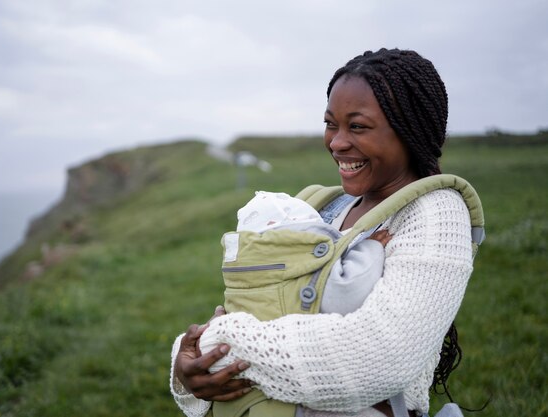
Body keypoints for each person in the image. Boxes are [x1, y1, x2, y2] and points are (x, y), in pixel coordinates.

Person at [170, 48, 479, 417]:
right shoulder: (318, 208)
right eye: (331, 123)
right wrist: (185, 365)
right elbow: (254, 303)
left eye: (358, 126)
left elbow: (379, 357)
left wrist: (219, 347)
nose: (336, 142)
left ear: (411, 130)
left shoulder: (436, 213)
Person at [203, 190, 392, 373]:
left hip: (242, 381)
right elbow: (348, 293)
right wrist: (370, 248)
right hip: (301, 379)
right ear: (301, 239)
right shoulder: (305, 265)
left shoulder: (244, 274)